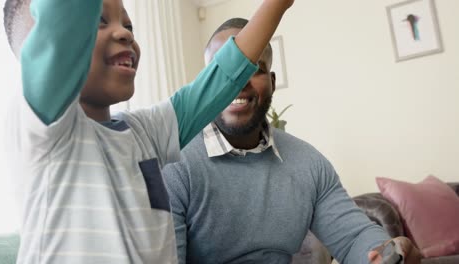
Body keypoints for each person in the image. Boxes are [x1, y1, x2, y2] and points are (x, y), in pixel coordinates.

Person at [3, 0, 294, 263]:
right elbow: (65, 19)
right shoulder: (42, 132)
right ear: (38, 51)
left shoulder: (145, 132)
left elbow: (222, 77)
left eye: (128, 25)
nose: (125, 34)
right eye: (99, 21)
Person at [162, 18, 422, 264]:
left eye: (253, 68)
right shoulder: (172, 163)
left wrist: (387, 250)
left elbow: (354, 238)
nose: (237, 82)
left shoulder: (309, 163)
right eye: (222, 71)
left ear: (272, 83)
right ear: (203, 82)